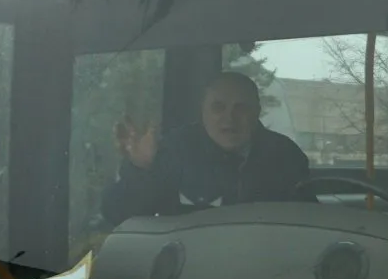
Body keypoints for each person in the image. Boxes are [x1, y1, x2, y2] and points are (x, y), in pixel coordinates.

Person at [100, 72, 312, 225]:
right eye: (218, 107)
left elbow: (306, 224)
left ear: (256, 111)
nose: (229, 118)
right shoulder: (174, 150)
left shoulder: (285, 155)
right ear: (202, 111)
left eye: (241, 108)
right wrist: (140, 168)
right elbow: (117, 216)